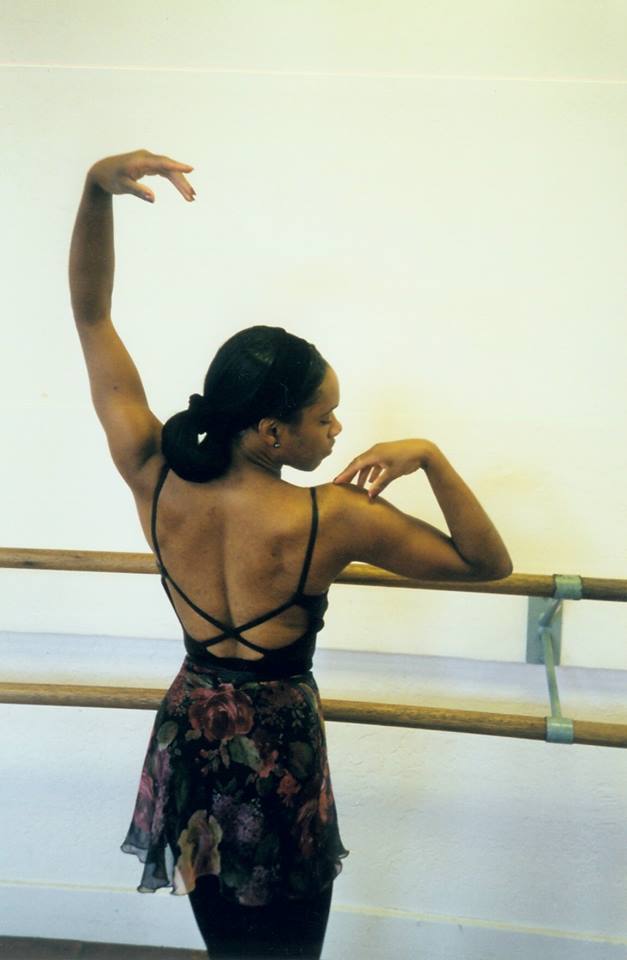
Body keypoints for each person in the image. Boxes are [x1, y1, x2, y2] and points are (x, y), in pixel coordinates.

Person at [69, 150, 512, 960]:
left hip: (193, 730)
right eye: (324, 416)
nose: (337, 430)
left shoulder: (152, 475)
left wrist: (96, 189)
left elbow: (92, 318)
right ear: (270, 431)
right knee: (288, 949)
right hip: (281, 748)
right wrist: (430, 458)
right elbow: (487, 563)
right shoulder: (333, 518)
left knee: (226, 946)